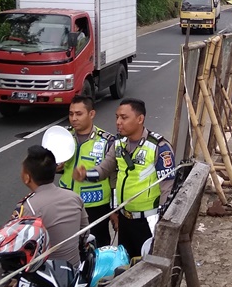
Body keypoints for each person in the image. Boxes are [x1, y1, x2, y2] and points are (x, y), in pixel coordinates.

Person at [73, 98, 176, 259]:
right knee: (125, 265)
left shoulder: (158, 147)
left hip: (148, 222)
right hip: (125, 219)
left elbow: (167, 188)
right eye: (116, 117)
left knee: (147, 267)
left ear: (140, 119)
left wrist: (161, 224)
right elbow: (104, 170)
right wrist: (85, 174)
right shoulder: (118, 144)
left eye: (124, 117)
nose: (118, 122)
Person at [0, 146, 89, 287]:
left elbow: (12, 253)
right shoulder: (74, 197)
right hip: (74, 274)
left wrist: (2, 283)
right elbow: (85, 234)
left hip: (43, 284)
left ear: (27, 177)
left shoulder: (27, 208)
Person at [58, 95, 116, 247]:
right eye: (71, 114)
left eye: (79, 114)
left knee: (97, 246)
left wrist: (115, 209)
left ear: (91, 114)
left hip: (95, 205)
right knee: (68, 246)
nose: (74, 118)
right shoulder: (63, 137)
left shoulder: (107, 141)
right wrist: (56, 166)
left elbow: (113, 177)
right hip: (66, 202)